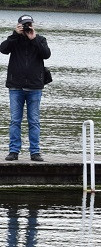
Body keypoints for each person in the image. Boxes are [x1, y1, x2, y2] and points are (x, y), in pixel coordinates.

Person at [2, 15, 51, 162]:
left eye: (28, 24)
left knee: (34, 121)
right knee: (15, 120)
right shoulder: (14, 40)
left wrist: (34, 38)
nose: (26, 27)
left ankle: (35, 152)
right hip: (16, 86)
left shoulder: (40, 39)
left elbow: (46, 54)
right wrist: (14, 35)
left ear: (33, 25)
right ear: (19, 26)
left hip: (35, 87)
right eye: (24, 25)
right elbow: (3, 49)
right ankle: (13, 151)